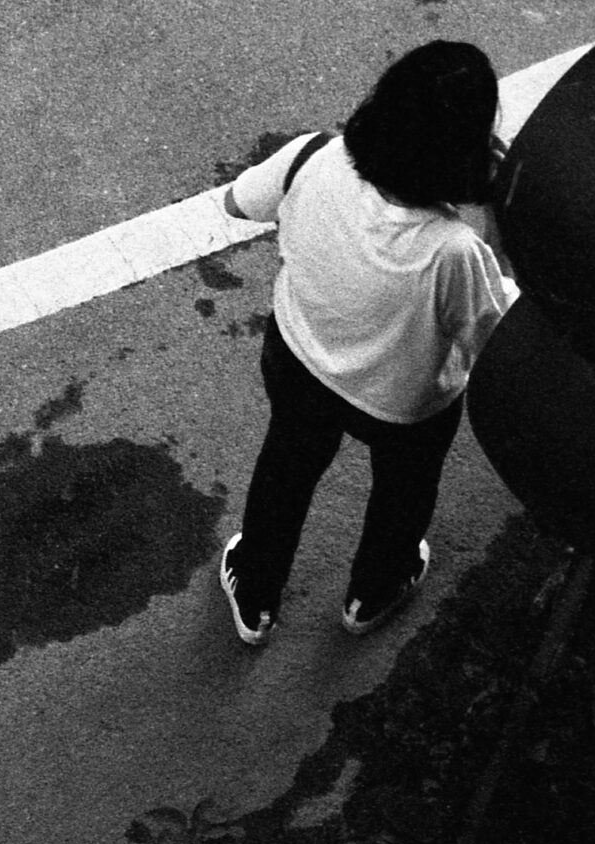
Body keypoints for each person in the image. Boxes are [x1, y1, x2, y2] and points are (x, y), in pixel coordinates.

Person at [216, 39, 519, 642]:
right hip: (405, 402)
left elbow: (236, 202)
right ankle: (374, 590)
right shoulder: (454, 249)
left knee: (286, 469)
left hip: (300, 357)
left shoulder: (313, 156)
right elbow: (497, 332)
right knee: (404, 491)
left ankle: (255, 595)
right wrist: (498, 217)